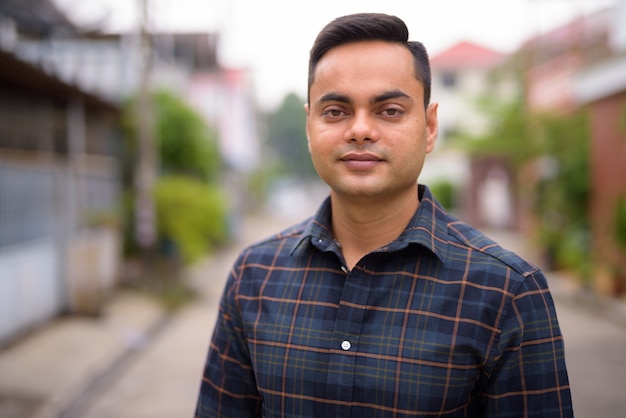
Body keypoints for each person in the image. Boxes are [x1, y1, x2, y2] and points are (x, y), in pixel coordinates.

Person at [194, 12, 573, 417]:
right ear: (309, 127)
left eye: (389, 110)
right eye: (336, 111)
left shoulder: (507, 292)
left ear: (429, 127)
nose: (360, 130)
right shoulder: (254, 276)